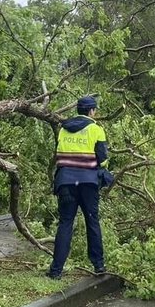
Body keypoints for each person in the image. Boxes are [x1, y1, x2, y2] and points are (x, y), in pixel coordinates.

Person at [47, 96, 110, 279]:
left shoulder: (63, 129)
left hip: (66, 182)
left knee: (65, 223)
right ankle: (99, 266)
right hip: (88, 184)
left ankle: (56, 271)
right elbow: (103, 159)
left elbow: (59, 155)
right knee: (92, 222)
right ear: (91, 111)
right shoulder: (97, 130)